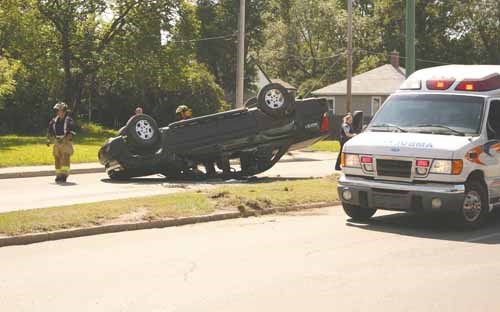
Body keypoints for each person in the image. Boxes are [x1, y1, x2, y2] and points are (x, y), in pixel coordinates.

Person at [47, 102, 75, 183]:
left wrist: (68, 137)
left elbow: (71, 130)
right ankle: (58, 175)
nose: (58, 112)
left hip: (65, 140)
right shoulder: (54, 120)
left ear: (64, 111)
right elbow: (49, 130)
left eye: (60, 110)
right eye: (57, 110)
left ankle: (64, 175)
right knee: (57, 158)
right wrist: (48, 139)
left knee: (65, 157)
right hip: (57, 141)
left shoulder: (68, 120)